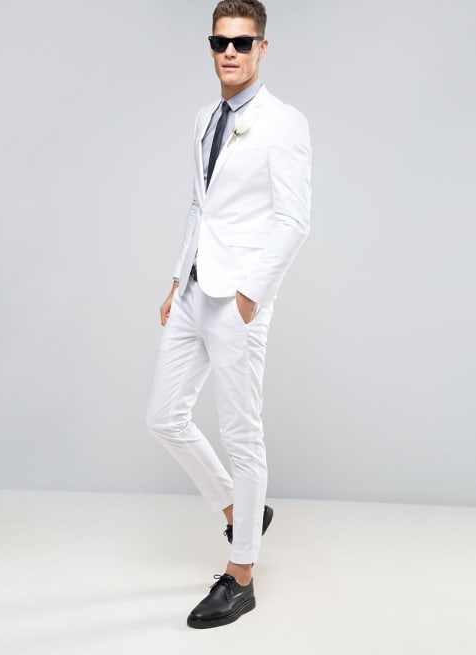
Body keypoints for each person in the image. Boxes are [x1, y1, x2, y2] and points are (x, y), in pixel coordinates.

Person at [146, 0, 312, 629]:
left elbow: (294, 220)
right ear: (212, 47)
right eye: (221, 42)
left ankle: (240, 578)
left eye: (243, 43)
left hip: (238, 300)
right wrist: (175, 279)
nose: (231, 53)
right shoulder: (204, 118)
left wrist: (249, 296)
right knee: (164, 416)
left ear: (262, 48)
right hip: (193, 290)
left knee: (242, 434)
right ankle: (241, 511)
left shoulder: (283, 123)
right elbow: (200, 205)